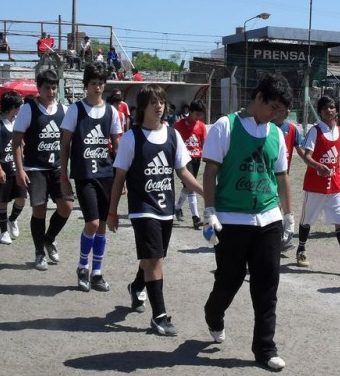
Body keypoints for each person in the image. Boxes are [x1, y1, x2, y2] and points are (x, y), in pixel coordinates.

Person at [202, 73, 294, 371]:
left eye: (281, 111)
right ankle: (214, 313)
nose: (276, 116)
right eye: (273, 108)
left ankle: (265, 348)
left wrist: (288, 216)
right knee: (229, 280)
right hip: (231, 219)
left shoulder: (276, 134)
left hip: (268, 218)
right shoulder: (225, 126)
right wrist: (209, 211)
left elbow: (281, 177)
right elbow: (210, 171)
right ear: (258, 98)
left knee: (267, 285)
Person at [107, 85, 203, 334]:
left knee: (153, 258)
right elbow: (119, 178)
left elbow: (183, 172)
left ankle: (136, 286)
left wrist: (205, 192)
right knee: (154, 260)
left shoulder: (173, 135)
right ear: (142, 107)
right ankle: (159, 316)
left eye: (161, 101)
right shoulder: (132, 138)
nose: (159, 106)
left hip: (165, 208)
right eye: (153, 102)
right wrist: (112, 212)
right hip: (142, 208)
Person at [60, 64, 122, 292]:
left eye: (101, 83)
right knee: (92, 223)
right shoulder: (75, 110)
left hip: (106, 174)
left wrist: (121, 177)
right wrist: (63, 176)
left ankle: (97, 272)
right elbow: (65, 145)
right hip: (84, 174)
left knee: (103, 225)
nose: (97, 87)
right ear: (86, 85)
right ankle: (82, 267)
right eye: (93, 83)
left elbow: (117, 146)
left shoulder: (112, 112)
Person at [295, 96, 340, 273]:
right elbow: (306, 156)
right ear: (320, 112)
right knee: (307, 220)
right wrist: (318, 166)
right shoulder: (315, 131)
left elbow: (336, 158)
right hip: (315, 185)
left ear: (337, 110)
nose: (329, 110)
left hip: (335, 185)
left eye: (332, 107)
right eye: (325, 108)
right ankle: (301, 249)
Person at [12, 69, 73, 270]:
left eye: (54, 88)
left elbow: (68, 141)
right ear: (39, 88)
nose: (51, 92)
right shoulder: (28, 109)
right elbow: (16, 143)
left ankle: (49, 238)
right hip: (35, 167)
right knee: (39, 209)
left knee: (66, 206)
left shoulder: (64, 110)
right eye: (47, 88)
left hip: (57, 168)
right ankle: (39, 252)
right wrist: (20, 170)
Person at [0, 92, 27, 244]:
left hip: (17, 168)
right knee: (2, 201)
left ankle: (12, 219)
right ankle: (3, 232)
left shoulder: (17, 122)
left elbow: (20, 144)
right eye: (19, 106)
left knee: (22, 199)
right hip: (3, 168)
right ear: (12, 107)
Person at [173, 100, 208, 229]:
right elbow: (172, 141)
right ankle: (196, 218)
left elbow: (204, 142)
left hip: (196, 159)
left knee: (188, 187)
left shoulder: (201, 126)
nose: (199, 117)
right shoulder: (179, 124)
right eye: (197, 114)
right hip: (184, 160)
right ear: (190, 111)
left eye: (201, 115)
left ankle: (177, 208)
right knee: (191, 186)